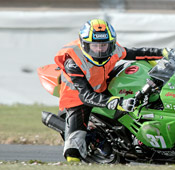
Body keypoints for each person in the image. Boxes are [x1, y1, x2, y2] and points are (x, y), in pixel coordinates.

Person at [54, 19, 165, 162]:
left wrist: (163, 52)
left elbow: (136, 53)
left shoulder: (113, 50)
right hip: (77, 98)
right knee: (73, 151)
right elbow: (86, 96)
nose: (100, 50)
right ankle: (84, 148)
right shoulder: (73, 62)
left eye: (104, 45)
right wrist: (117, 102)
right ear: (84, 44)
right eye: (94, 46)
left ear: (111, 43)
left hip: (102, 83)